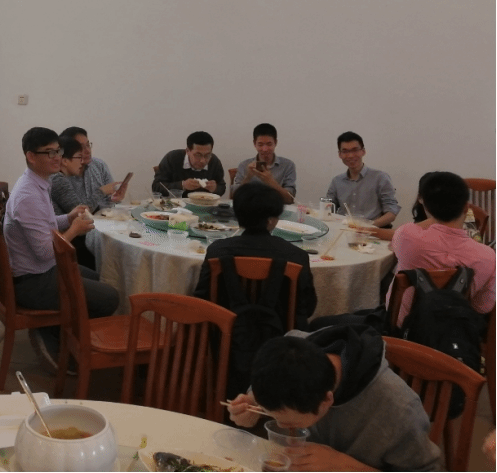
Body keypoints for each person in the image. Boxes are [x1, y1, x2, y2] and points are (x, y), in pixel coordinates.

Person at [228, 327, 442, 471]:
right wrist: (251, 405)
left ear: (326, 401)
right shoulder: (290, 350)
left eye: (290, 423)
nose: (281, 426)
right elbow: (264, 393)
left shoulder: (399, 409)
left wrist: (345, 466)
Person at [3, 127, 119, 372]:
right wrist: (74, 229)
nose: (57, 157)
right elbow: (45, 253)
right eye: (49, 152)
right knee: (109, 298)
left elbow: (45, 224)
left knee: (100, 279)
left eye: (58, 151)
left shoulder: (37, 182)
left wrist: (68, 217)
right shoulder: (28, 195)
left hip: (41, 270)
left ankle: (63, 333)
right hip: (32, 281)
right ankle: (56, 339)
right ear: (31, 156)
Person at [194, 182, 317, 331]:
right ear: (271, 219)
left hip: (224, 335)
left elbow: (202, 298)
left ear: (237, 216)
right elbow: (307, 307)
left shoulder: (217, 251)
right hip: (281, 338)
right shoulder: (297, 256)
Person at [387, 171, 495, 327]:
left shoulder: (406, 235)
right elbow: (482, 307)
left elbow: (394, 247)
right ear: (467, 208)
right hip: (454, 335)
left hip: (400, 332)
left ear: (425, 206)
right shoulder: (488, 257)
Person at [326, 131, 400, 228]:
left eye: (355, 150)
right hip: (343, 229)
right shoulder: (337, 181)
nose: (350, 155)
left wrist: (367, 227)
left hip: (373, 231)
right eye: (345, 151)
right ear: (340, 154)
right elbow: (327, 208)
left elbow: (392, 212)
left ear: (363, 151)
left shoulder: (380, 178)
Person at [51, 135, 96, 269]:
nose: (82, 162)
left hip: (62, 236)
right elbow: (83, 211)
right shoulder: (58, 179)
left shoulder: (62, 178)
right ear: (65, 161)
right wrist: (102, 192)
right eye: (78, 157)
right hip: (62, 244)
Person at [59, 126, 127, 212]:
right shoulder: (61, 176)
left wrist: (115, 198)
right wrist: (101, 191)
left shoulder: (99, 165)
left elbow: (110, 201)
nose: (88, 150)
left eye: (88, 145)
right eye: (81, 147)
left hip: (105, 217)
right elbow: (78, 211)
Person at [232, 123, 296, 204]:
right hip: (250, 207)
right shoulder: (244, 165)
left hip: (276, 208)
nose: (265, 149)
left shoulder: (288, 165)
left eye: (269, 144)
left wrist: (270, 181)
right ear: (254, 144)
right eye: (260, 145)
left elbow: (290, 199)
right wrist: (248, 177)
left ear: (275, 142)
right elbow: (235, 196)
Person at [152, 131, 226, 197]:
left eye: (207, 155)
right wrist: (182, 185)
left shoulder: (214, 161)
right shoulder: (172, 158)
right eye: (198, 155)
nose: (203, 161)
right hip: (176, 204)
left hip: (205, 205)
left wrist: (215, 188)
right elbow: (156, 187)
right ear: (187, 151)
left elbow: (222, 188)